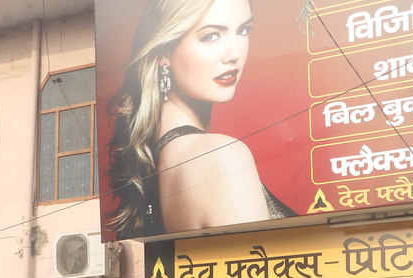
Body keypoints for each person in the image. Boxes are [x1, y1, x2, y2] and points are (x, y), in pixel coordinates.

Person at [108, 0, 296, 237]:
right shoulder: (221, 158)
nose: (234, 54)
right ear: (164, 50)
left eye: (243, 30)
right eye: (210, 36)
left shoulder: (162, 157)